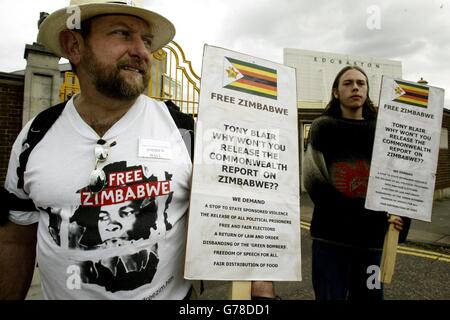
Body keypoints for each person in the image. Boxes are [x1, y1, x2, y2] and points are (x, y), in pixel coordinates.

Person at [0, 0, 276, 300]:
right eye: (122, 34)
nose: (142, 52)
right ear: (74, 46)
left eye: (145, 40)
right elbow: (16, 240)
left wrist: (260, 290)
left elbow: (239, 216)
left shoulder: (184, 131)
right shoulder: (36, 136)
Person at [303, 66, 410, 300]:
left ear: (367, 91)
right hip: (330, 241)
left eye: (361, 83)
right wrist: (375, 216)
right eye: (348, 83)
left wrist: (401, 218)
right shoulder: (323, 127)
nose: (355, 87)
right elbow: (315, 184)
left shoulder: (383, 132)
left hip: (371, 244)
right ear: (335, 92)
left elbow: (400, 180)